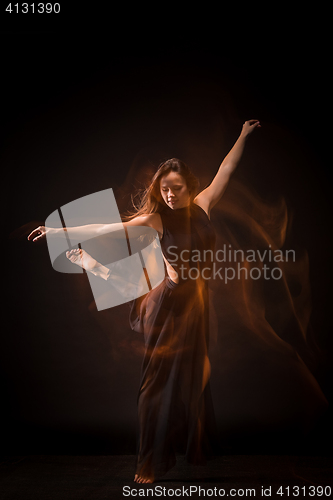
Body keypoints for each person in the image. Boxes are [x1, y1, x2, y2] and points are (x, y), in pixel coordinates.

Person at [28, 119, 261, 483]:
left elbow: (226, 169)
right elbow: (109, 229)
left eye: (176, 188)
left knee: (195, 377)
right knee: (155, 385)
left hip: (196, 304)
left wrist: (243, 135)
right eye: (164, 189)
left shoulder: (203, 205)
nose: (169, 195)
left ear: (189, 187)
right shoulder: (156, 219)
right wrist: (59, 231)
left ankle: (196, 446)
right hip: (166, 307)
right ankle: (147, 462)